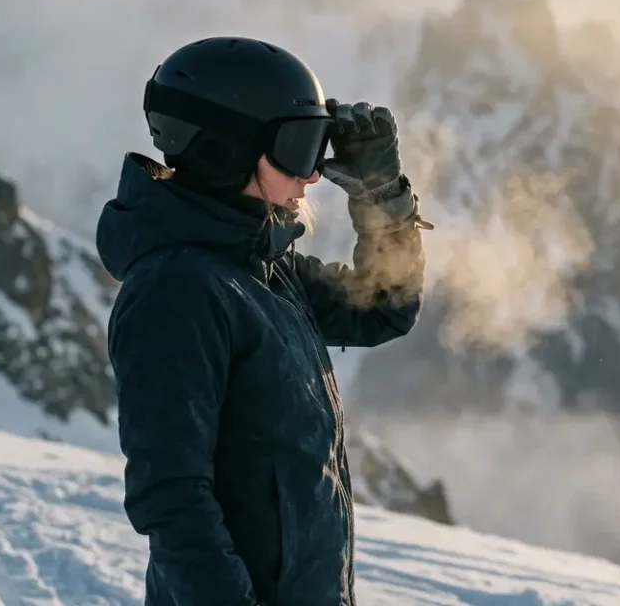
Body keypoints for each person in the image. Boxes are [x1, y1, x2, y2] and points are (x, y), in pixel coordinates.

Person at [94, 36, 430, 606]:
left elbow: (384, 308)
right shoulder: (178, 292)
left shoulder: (268, 269)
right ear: (223, 152)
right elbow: (172, 500)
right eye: (298, 147)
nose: (313, 176)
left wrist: (381, 195)